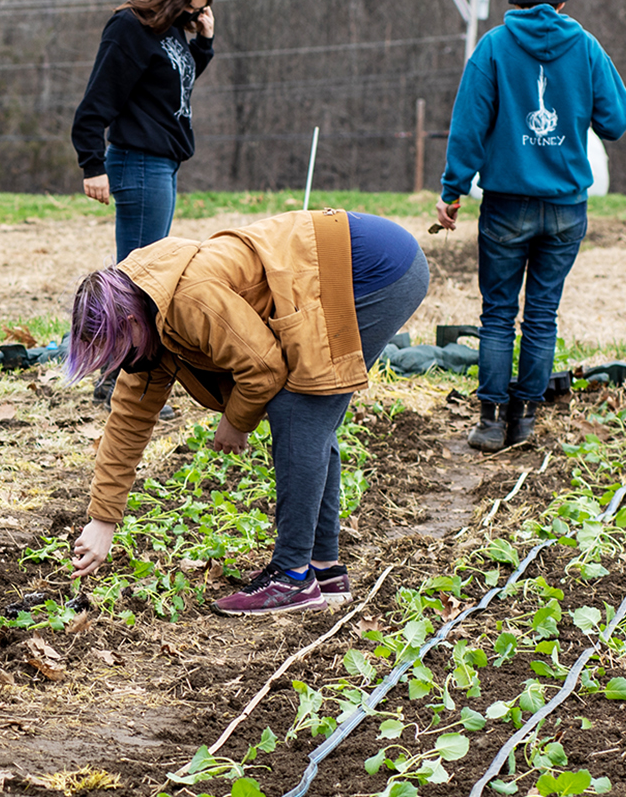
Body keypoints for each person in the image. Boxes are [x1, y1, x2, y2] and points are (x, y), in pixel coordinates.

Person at [64, 209, 428, 615]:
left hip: (372, 266)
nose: (117, 364)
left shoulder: (187, 299)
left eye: (116, 350)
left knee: (297, 408)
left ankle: (292, 577)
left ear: (130, 322)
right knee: (310, 416)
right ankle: (324, 571)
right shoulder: (147, 339)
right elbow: (126, 427)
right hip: (356, 263)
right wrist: (103, 521)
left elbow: (265, 367)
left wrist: (235, 422)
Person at [435, 0, 626, 452]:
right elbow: (617, 120)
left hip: (505, 205)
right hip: (566, 208)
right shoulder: (585, 48)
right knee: (541, 315)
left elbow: (468, 127)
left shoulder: (494, 48)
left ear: (514, 2)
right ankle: (524, 420)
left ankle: (488, 421)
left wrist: (453, 192)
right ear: (562, 2)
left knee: (498, 315)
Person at [70, 0, 218, 404]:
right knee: (139, 277)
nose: (194, 15)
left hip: (163, 163)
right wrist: (91, 162)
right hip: (137, 161)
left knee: (145, 272)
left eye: (199, 10)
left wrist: (204, 44)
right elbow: (99, 96)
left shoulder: (172, 31)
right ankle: (117, 379)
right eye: (189, 6)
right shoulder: (130, 28)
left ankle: (119, 374)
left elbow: (171, 90)